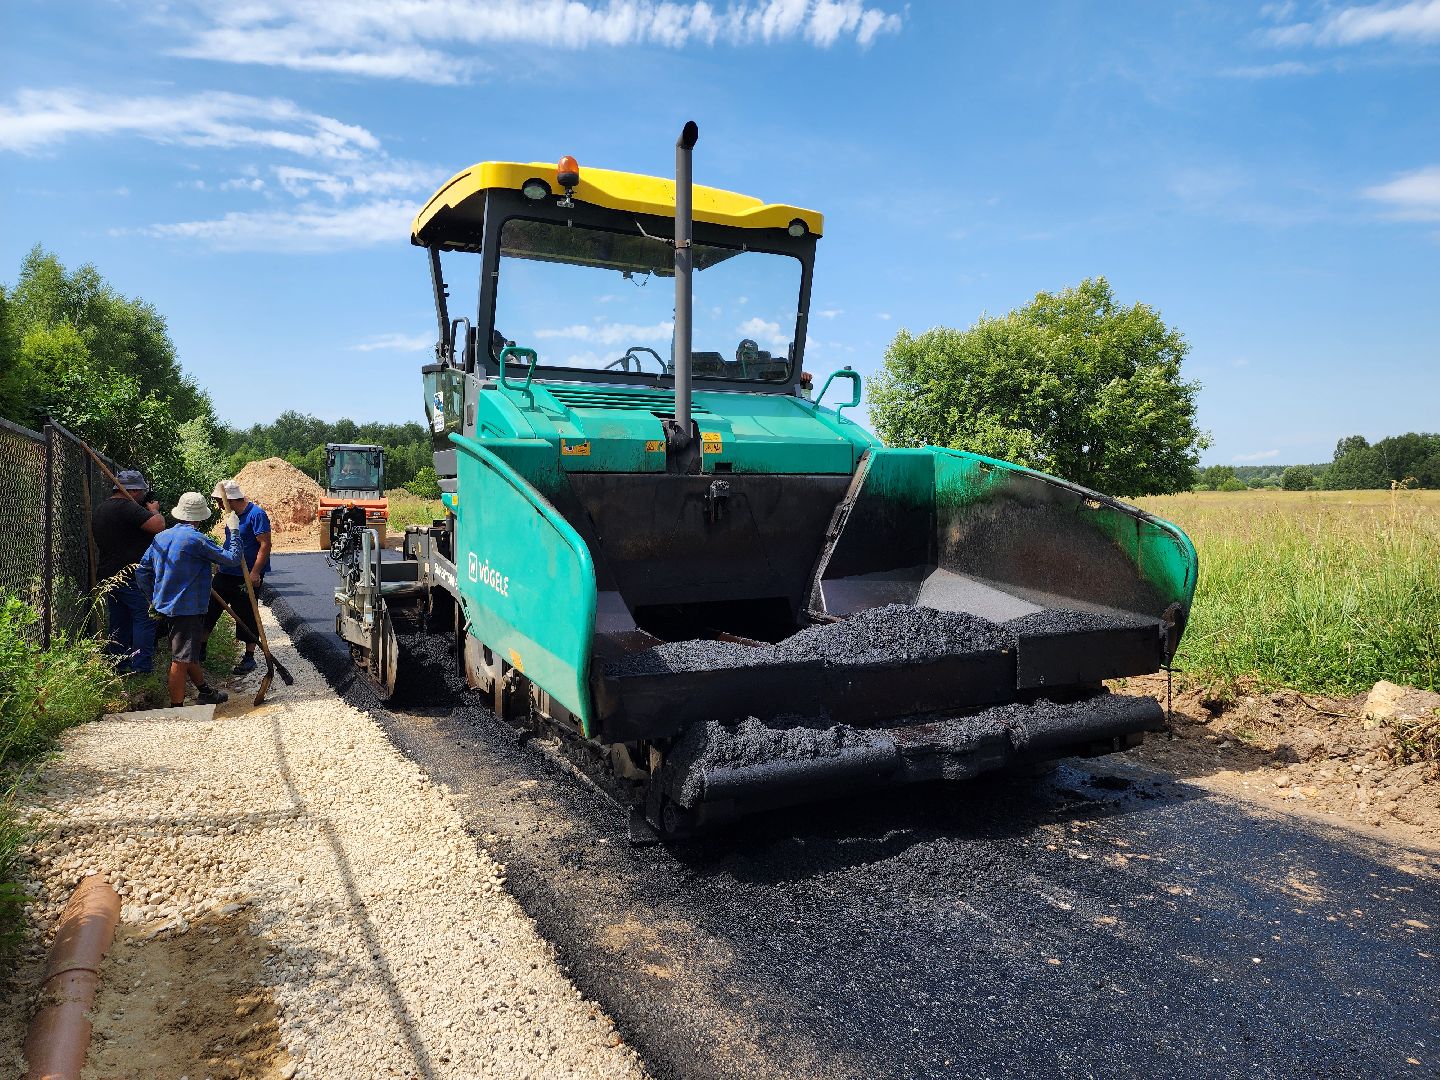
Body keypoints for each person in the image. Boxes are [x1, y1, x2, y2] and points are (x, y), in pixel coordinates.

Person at [135, 491, 240, 708]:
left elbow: (142, 571)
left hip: (165, 606)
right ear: (200, 517)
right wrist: (235, 531)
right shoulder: (197, 540)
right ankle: (177, 708)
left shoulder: (161, 537)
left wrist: (153, 597)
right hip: (187, 608)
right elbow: (232, 559)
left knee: (187, 651)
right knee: (180, 658)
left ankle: (204, 691)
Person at [91, 468, 165, 674]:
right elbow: (158, 526)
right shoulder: (128, 508)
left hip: (109, 574)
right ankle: (141, 668)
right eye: (141, 492)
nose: (142, 496)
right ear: (132, 491)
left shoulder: (102, 508)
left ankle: (118, 664)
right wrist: (154, 510)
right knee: (145, 618)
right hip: (131, 576)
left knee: (119, 620)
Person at [204, 479, 271, 675]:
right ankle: (200, 653)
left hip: (247, 575)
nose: (218, 505)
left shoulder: (256, 514)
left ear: (231, 500)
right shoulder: (231, 515)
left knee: (248, 614)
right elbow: (230, 540)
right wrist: (220, 561)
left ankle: (249, 658)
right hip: (226, 572)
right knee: (209, 609)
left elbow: (265, 544)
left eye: (220, 501)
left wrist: (256, 572)